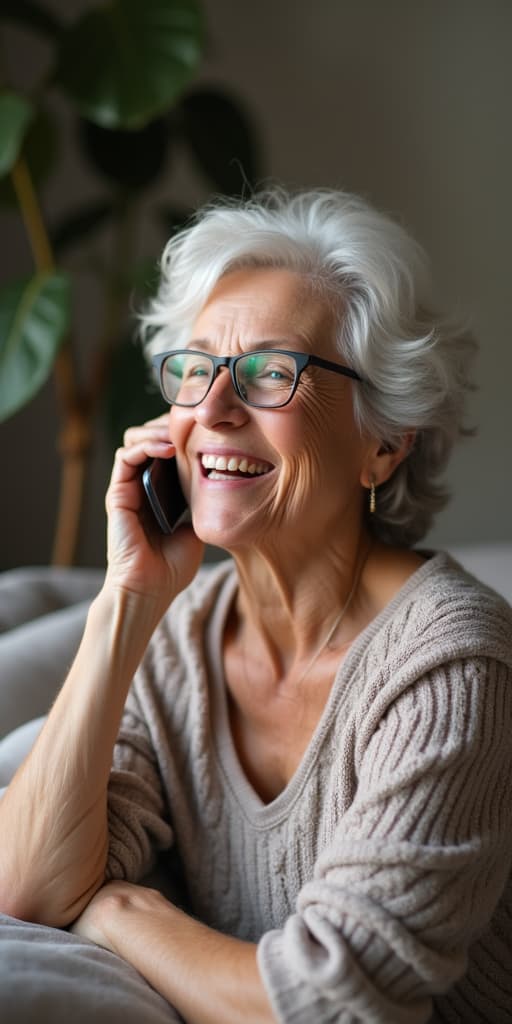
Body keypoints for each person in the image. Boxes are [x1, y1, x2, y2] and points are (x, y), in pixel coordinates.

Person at [0, 187, 511, 1024]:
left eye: (272, 373)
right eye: (195, 369)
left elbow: (340, 1006)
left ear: (383, 442)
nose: (213, 410)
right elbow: (25, 887)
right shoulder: (181, 639)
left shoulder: (452, 661)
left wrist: (123, 910)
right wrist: (127, 602)